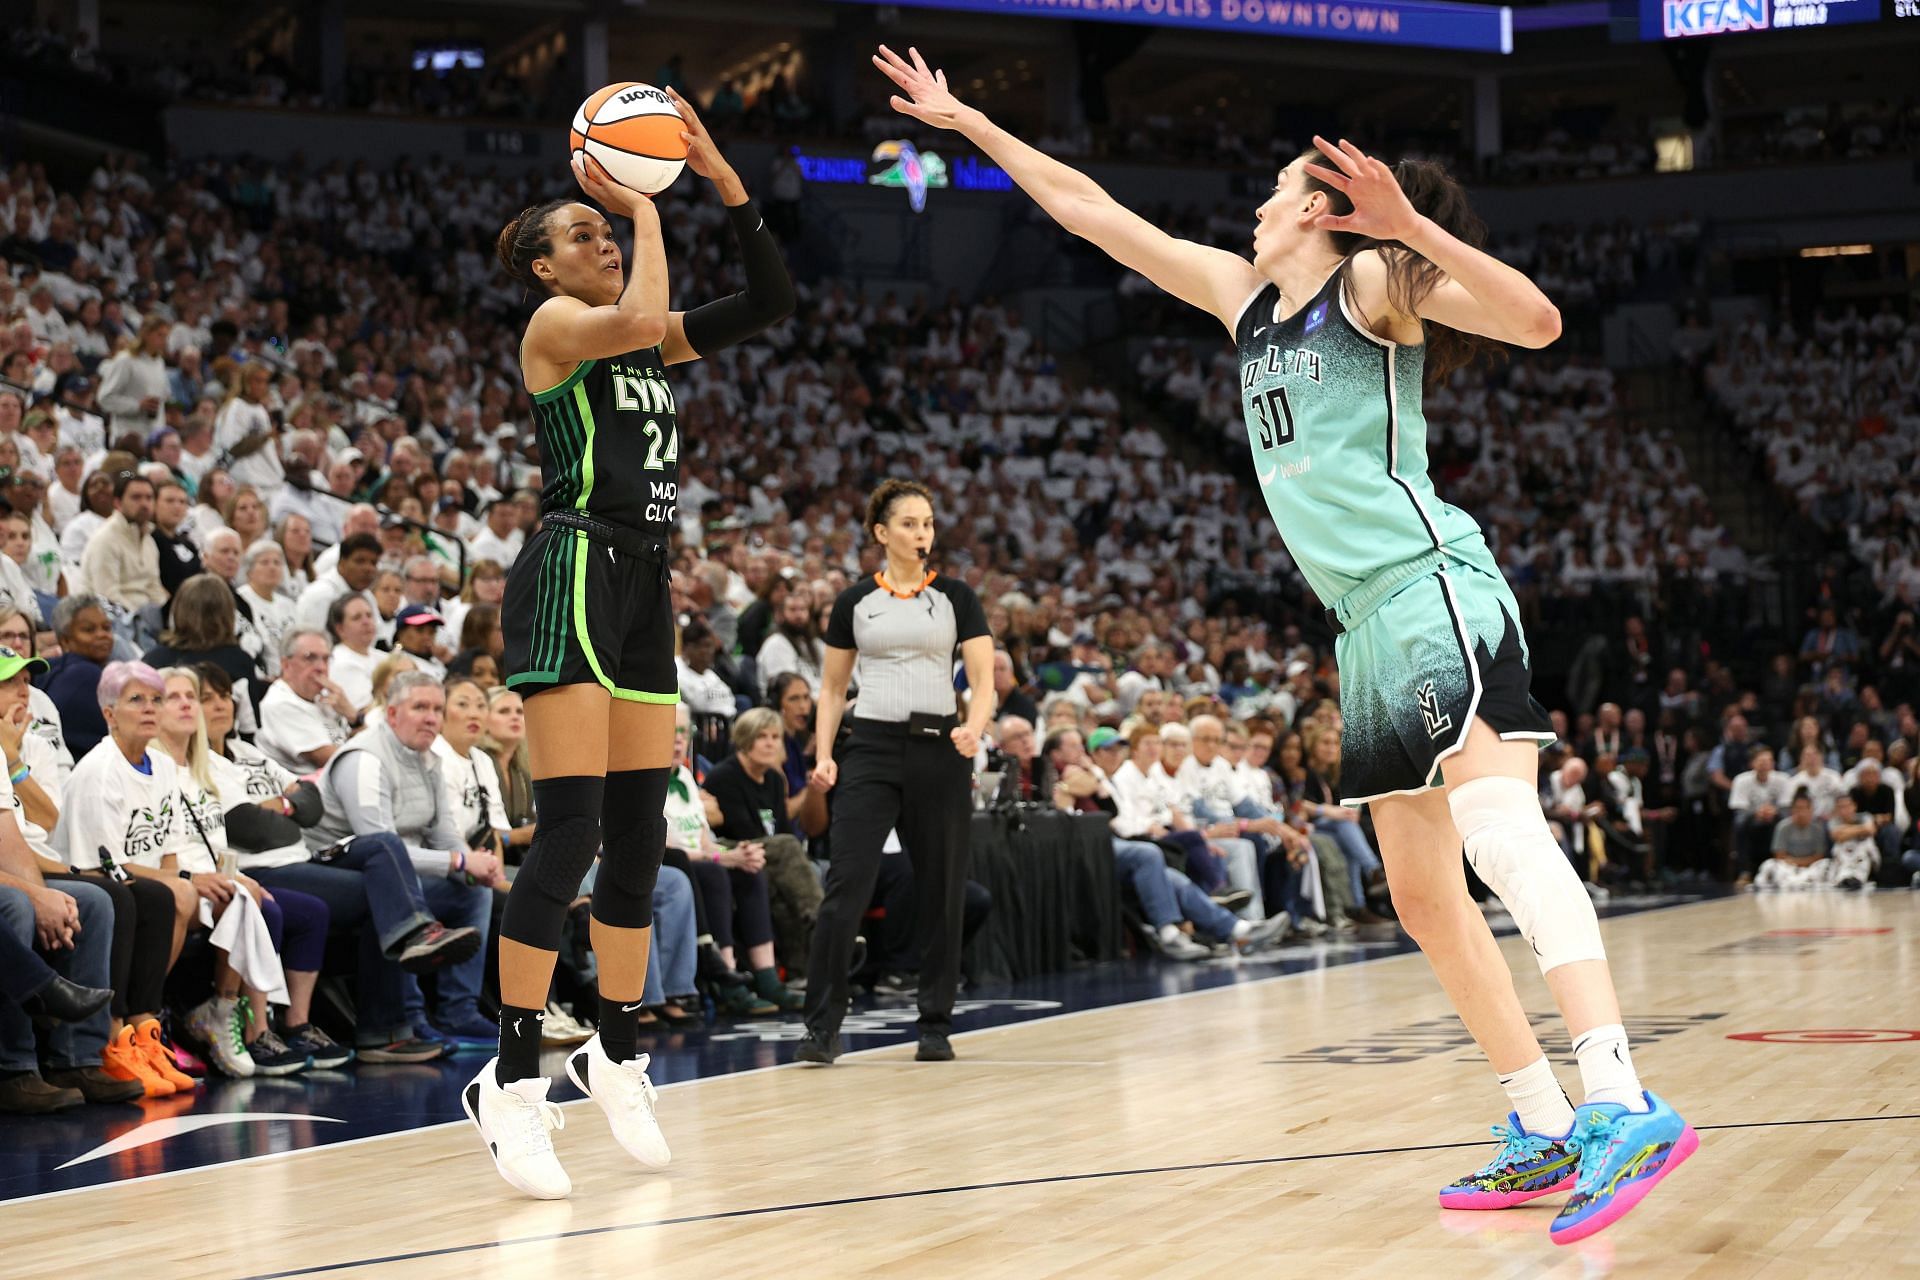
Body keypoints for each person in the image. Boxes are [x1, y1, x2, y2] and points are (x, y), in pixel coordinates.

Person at [873, 45, 1691, 1241]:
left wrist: (1409, 231)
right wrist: (969, 122)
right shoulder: (1240, 300)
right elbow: (1091, 210)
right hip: (1362, 624)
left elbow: (1539, 319)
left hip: (1431, 589)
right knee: (1421, 896)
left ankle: (1621, 1094)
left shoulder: (1372, 290)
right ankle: (1540, 1120)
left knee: (1500, 830)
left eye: (1267, 194)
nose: (1247, 211)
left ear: (1316, 210)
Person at [476, 84, 793, 1200]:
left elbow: (771, 296)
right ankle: (511, 1077)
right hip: (570, 569)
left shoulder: (647, 344)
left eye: (604, 225)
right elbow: (638, 311)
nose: (598, 232)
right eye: (580, 230)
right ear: (543, 270)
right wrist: (650, 214)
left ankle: (611, 1047)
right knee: (563, 838)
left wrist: (717, 178)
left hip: (645, 585)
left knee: (638, 839)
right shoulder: (559, 329)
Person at [797, 479, 995, 1067]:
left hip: (940, 748)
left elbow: (982, 681)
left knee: (941, 892)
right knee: (845, 886)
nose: (922, 534)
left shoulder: (957, 596)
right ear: (882, 533)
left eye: (928, 523)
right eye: (909, 524)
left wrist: (974, 728)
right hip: (872, 748)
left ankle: (934, 1024)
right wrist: (824, 753)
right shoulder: (854, 601)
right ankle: (821, 1027)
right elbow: (832, 689)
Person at [196, 661, 466, 1065]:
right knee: (385, 896)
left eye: (224, 696)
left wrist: (280, 807)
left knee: (381, 846)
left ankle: (415, 941)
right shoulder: (204, 766)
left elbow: (311, 802)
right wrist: (288, 807)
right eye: (205, 698)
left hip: (302, 856)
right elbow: (250, 828)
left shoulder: (247, 752)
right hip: (262, 868)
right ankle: (383, 1030)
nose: (220, 705)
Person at [310, 671, 500, 1047]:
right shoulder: (363, 758)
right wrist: (458, 863)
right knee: (399, 882)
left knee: (474, 892)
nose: (431, 718)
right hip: (335, 867)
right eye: (420, 708)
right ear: (392, 713)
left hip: (398, 869)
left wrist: (473, 865)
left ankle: (458, 1012)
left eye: (437, 709)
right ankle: (409, 1017)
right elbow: (379, 847)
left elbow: (445, 832)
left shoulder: (429, 759)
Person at [152, 667, 324, 1076]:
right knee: (254, 905)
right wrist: (207, 878)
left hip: (217, 873)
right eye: (173, 697)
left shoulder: (209, 767)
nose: (187, 705)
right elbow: (168, 848)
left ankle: (229, 1014)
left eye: (189, 697)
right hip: (173, 879)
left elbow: (220, 841)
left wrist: (231, 874)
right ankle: (232, 1025)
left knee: (264, 902)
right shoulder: (153, 767)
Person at [699, 707, 815, 1000]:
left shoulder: (774, 780)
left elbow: (783, 828)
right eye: (762, 737)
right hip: (731, 847)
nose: (770, 743)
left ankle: (799, 973)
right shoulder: (725, 776)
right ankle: (822, 924)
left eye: (775, 737)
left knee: (789, 877)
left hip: (765, 854)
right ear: (745, 740)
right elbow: (743, 831)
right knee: (787, 850)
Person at [41, 595, 117, 759]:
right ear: (65, 640)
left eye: (106, 628)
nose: (102, 635)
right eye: (89, 630)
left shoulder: (51, 668)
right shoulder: (87, 675)